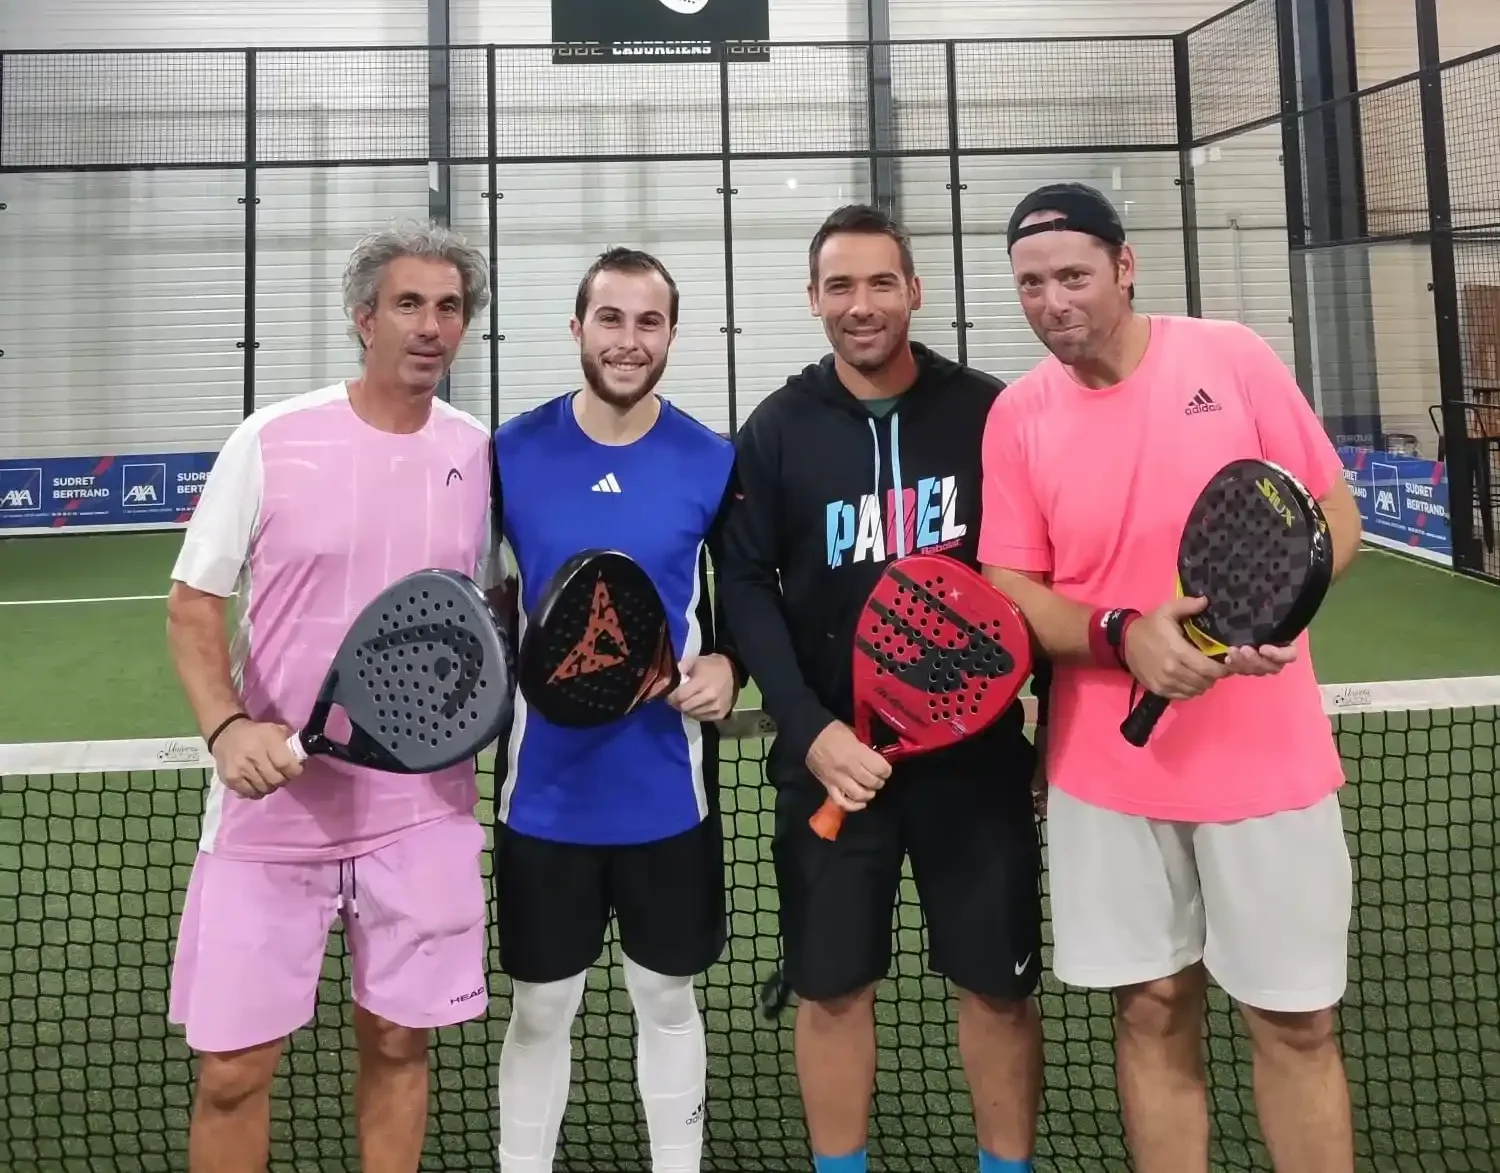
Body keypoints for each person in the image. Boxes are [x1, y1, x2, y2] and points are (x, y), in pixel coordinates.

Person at [978, 182, 1364, 1173]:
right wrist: (1121, 635)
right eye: (1031, 284)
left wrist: (1273, 612)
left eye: (1073, 275)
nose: (1053, 301)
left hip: (1264, 764)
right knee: (1150, 1010)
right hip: (1104, 774)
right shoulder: (1017, 415)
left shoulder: (1232, 357)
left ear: (1124, 266)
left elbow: (1334, 517)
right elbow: (1010, 585)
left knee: (1295, 1023)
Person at [164, 221, 501, 1173]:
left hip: (420, 810)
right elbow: (192, 604)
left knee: (398, 1043)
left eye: (449, 307)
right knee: (234, 1070)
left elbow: (486, 614)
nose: (430, 325)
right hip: (272, 812)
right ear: (363, 318)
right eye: (408, 304)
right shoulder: (272, 438)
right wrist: (226, 727)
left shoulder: (479, 453)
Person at [716, 204, 1047, 1173]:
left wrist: (1053, 725)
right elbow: (745, 586)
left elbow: (1036, 572)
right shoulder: (776, 429)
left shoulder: (987, 413)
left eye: (879, 283)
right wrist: (810, 730)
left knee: (998, 990)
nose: (860, 305)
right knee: (830, 990)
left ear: (915, 291)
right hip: (832, 763)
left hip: (975, 764)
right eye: (839, 286)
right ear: (813, 298)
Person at [490, 247, 745, 1173]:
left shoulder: (712, 461)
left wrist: (732, 663)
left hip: (667, 797)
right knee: (540, 1007)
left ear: (672, 334)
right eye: (610, 318)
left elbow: (744, 601)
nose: (629, 341)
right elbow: (478, 598)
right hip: (543, 800)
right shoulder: (509, 453)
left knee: (667, 999)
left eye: (649, 322)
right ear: (576, 328)